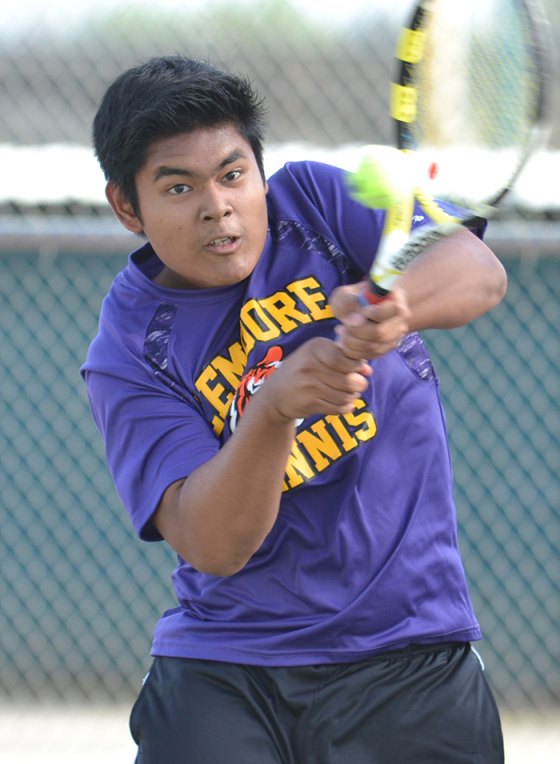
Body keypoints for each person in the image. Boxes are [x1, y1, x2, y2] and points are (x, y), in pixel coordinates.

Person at [82, 55, 507, 763]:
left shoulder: (314, 205)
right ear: (127, 207)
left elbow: (477, 273)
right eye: (178, 186)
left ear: (260, 171)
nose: (217, 204)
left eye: (232, 174)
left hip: (411, 652)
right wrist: (273, 412)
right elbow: (213, 545)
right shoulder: (127, 348)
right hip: (227, 672)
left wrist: (394, 311)